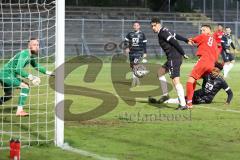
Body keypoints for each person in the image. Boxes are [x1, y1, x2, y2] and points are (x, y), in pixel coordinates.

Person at [0, 38, 54, 116]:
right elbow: (18, 69)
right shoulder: (25, 54)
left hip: (9, 75)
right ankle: (19, 111)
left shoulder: (30, 56)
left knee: (8, 95)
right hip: (6, 74)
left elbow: (36, 66)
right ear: (29, 46)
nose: (37, 47)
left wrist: (49, 73)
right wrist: (32, 77)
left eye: (38, 45)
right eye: (34, 45)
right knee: (25, 86)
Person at [150, 17, 190, 109]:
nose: (153, 28)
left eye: (154, 26)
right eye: (151, 26)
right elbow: (176, 35)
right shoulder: (165, 30)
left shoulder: (163, 33)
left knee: (175, 80)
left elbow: (174, 41)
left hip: (174, 58)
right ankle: (165, 95)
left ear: (159, 24)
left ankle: (183, 104)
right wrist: (186, 40)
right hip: (172, 58)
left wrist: (183, 53)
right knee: (160, 72)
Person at [150, 63, 233, 105]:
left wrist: (227, 102)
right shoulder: (206, 75)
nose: (214, 72)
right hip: (199, 93)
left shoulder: (221, 81)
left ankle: (163, 101)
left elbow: (230, 93)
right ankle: (164, 101)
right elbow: (195, 77)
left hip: (206, 98)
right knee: (183, 98)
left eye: (216, 71)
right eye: (213, 70)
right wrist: (194, 80)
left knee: (184, 101)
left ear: (219, 72)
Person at [185, 25, 219, 109]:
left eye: (204, 29)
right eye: (201, 30)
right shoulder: (214, 41)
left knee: (190, 81)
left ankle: (189, 102)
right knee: (194, 80)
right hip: (211, 64)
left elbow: (193, 40)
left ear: (209, 31)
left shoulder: (204, 36)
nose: (202, 31)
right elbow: (216, 55)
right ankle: (192, 98)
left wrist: (189, 40)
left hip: (203, 61)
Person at [124, 21, 147, 87]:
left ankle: (134, 82)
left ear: (139, 26)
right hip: (131, 53)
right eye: (134, 25)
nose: (136, 26)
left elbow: (145, 44)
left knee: (135, 65)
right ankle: (138, 81)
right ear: (133, 26)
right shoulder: (130, 34)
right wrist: (127, 48)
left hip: (139, 52)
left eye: (137, 25)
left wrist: (145, 52)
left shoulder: (142, 34)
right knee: (132, 67)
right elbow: (126, 41)